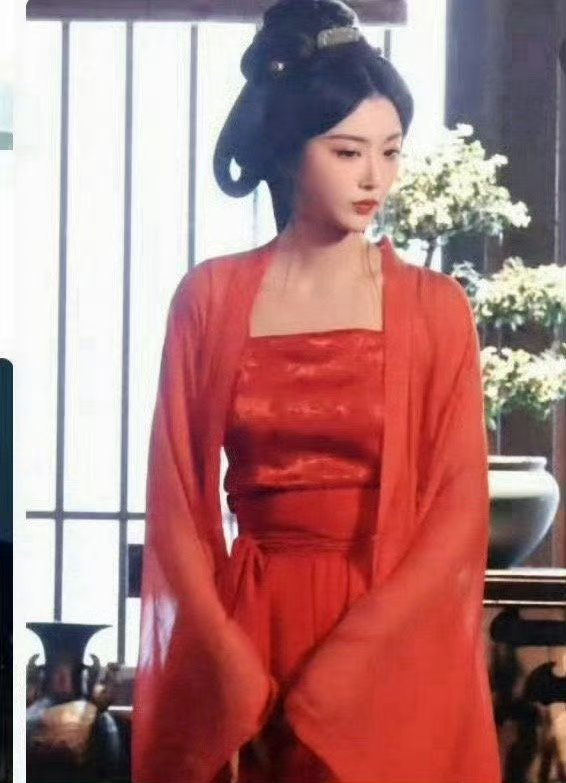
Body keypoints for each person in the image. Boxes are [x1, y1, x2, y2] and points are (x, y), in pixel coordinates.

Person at [131, 2, 503, 782]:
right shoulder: (210, 298)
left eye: (390, 153)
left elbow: (458, 510)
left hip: (386, 626)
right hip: (247, 625)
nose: (375, 179)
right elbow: (177, 506)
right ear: (287, 149)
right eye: (347, 151)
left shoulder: (436, 309)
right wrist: (228, 660)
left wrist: (352, 662)